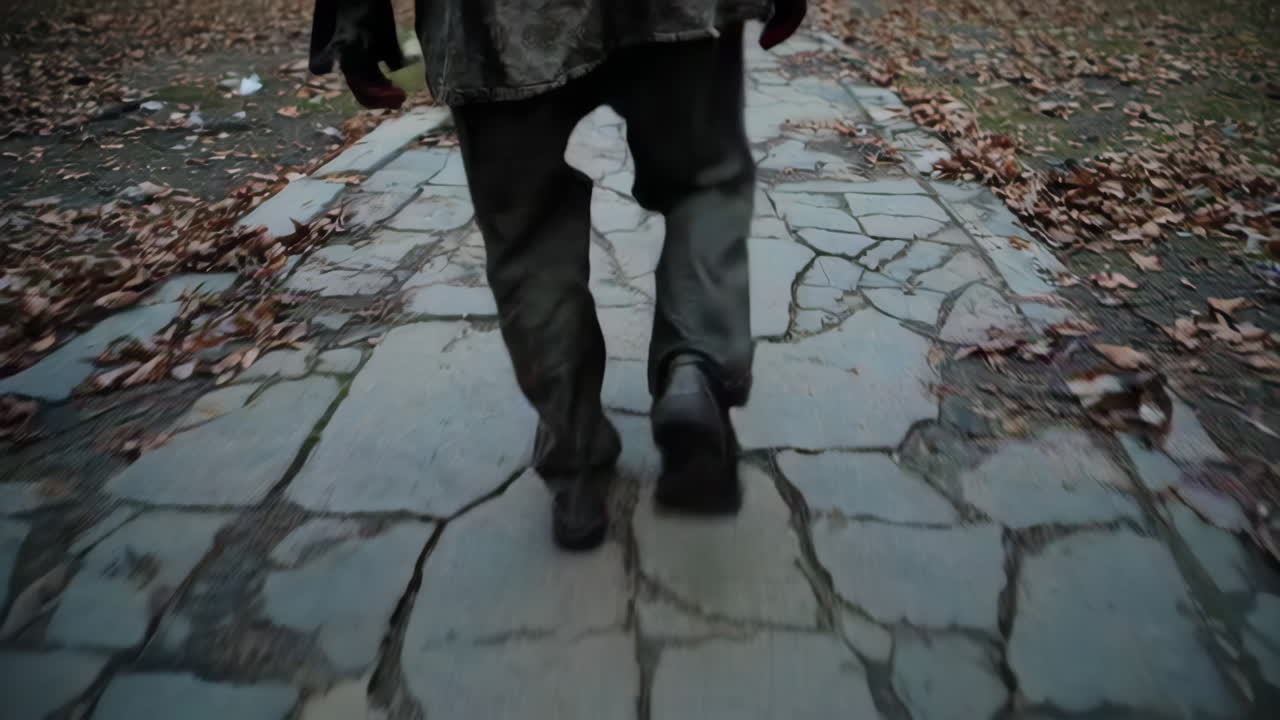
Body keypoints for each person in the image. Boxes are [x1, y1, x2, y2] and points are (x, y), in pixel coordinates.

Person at [311, 0, 807, 551]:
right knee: (703, 180)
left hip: (494, 25)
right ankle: (696, 363)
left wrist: (355, 28)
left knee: (528, 234)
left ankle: (574, 457)